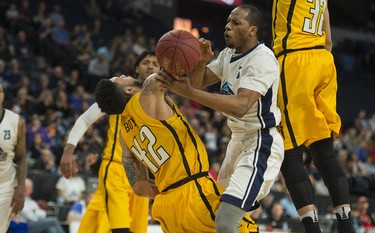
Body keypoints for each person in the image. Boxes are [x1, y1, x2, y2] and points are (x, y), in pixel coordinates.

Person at [159, 4, 284, 233]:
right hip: (236, 141)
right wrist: (201, 61)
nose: (228, 26)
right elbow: (197, 83)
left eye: (236, 22)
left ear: (252, 30)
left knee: (226, 222)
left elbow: (240, 105)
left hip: (260, 143)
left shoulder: (262, 59)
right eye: (228, 21)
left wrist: (187, 92)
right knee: (215, 215)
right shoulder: (228, 55)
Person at [95, 74, 259, 233]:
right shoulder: (147, 94)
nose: (124, 75)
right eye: (121, 79)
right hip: (193, 193)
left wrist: (171, 189)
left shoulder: (124, 134)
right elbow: (170, 65)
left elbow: (139, 187)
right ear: (128, 90)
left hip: (167, 208)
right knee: (246, 229)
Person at [271, 1, 355, 232]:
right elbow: (328, 41)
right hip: (324, 61)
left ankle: (312, 228)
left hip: (295, 60)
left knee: (290, 152)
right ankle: (346, 224)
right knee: (324, 152)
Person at [59, 51, 161, 233]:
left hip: (142, 174)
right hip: (115, 169)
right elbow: (85, 119)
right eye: (146, 62)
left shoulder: (159, 100)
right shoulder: (119, 91)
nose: (151, 66)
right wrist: (69, 150)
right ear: (136, 68)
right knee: (118, 228)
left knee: (98, 224)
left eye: (155, 63)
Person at [0, 81, 27, 233]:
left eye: (0, 90)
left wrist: (21, 188)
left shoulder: (16, 122)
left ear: (3, 95)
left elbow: (21, 158)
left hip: (5, 185)